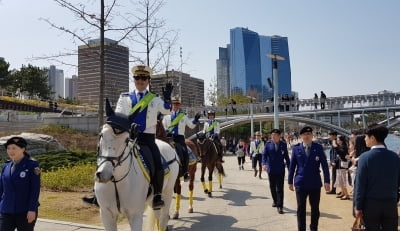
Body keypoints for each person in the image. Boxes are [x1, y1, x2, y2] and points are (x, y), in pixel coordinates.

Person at [83, 65, 173, 209]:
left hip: (147, 139)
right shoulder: (124, 97)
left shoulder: (155, 98)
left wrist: (168, 99)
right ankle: (96, 193)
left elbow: (167, 110)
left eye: (144, 78)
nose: (140, 81)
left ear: (149, 80)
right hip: (127, 138)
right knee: (105, 156)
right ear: (134, 79)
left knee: (157, 162)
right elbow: (119, 115)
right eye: (138, 78)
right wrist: (126, 126)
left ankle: (157, 195)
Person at [354, 125, 400, 230]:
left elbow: (360, 184)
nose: (365, 139)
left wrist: (358, 206)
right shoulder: (394, 157)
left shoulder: (365, 157)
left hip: (371, 204)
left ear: (372, 138)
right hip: (390, 203)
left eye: (366, 136)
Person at [288, 126, 330, 231]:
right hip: (300, 183)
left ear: (312, 136)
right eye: (304, 134)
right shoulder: (296, 148)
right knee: (301, 209)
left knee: (315, 209)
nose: (307, 136)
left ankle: (313, 228)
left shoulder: (318, 148)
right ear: (301, 136)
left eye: (309, 134)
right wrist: (290, 182)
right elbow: (292, 166)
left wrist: (327, 181)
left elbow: (325, 165)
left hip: (314, 183)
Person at [0, 137, 41, 231]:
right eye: (8, 148)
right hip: (6, 210)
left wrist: (32, 209)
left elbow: (35, 189)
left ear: (23, 149)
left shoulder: (32, 165)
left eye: (14, 148)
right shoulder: (5, 166)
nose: (10, 151)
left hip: (25, 211)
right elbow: (1, 188)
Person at [162, 96, 200, 181]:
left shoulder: (183, 116)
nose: (175, 105)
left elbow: (191, 125)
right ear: (171, 105)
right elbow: (163, 126)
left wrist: (195, 120)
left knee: (184, 152)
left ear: (180, 105)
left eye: (177, 104)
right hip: (169, 138)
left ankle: (185, 172)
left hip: (179, 139)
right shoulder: (166, 116)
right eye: (174, 104)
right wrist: (166, 131)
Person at [262, 129, 290, 214]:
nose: (273, 136)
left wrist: (290, 168)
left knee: (280, 189)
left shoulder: (283, 145)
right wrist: (264, 163)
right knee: (272, 187)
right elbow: (264, 155)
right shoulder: (268, 144)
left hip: (281, 170)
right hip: (271, 169)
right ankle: (275, 200)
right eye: (272, 135)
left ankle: (280, 206)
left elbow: (286, 157)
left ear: (279, 136)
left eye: (275, 135)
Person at [332, 135, 350, 200]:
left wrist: (336, 146)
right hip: (339, 166)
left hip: (343, 166)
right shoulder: (341, 147)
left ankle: (346, 194)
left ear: (342, 141)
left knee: (342, 180)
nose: (337, 141)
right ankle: (343, 193)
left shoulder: (344, 147)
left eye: (338, 140)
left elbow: (342, 153)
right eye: (337, 140)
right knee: (340, 180)